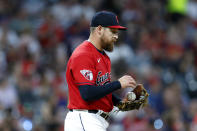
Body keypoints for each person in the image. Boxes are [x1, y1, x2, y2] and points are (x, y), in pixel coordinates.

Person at [64, 11, 137, 131]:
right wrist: (118, 84)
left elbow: (101, 90)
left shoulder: (104, 57)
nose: (116, 36)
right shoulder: (84, 54)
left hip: (95, 120)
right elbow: (87, 94)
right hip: (84, 118)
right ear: (99, 30)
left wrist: (122, 103)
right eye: (112, 32)